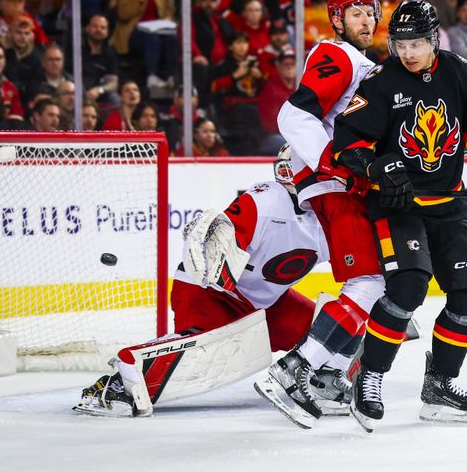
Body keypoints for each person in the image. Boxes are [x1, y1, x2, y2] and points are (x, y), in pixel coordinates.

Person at [331, 0, 467, 430]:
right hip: (398, 205)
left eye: (416, 43)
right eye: (400, 44)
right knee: (409, 287)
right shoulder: (381, 81)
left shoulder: (459, 73)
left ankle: (439, 386)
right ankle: (369, 377)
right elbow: (348, 143)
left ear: (434, 40)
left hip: (448, 203)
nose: (408, 52)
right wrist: (376, 167)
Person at [75, 146, 329, 417]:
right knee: (198, 357)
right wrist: (214, 238)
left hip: (269, 303)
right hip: (210, 292)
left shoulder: (333, 218)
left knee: (332, 331)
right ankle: (118, 384)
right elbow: (229, 233)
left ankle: (320, 383)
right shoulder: (267, 200)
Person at [256, 0, 387, 426]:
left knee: (376, 283)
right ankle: (295, 370)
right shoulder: (339, 55)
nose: (366, 20)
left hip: (345, 186)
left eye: (370, 12)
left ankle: (329, 375)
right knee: (367, 282)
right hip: (333, 185)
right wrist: (334, 163)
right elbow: (294, 115)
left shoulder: (368, 65)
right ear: (336, 20)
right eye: (355, 14)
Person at [113, 0, 177, 91]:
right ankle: (152, 77)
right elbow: (123, 14)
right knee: (151, 38)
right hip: (134, 32)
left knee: (172, 38)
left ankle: (171, 76)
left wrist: (166, 20)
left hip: (158, 29)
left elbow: (168, 12)